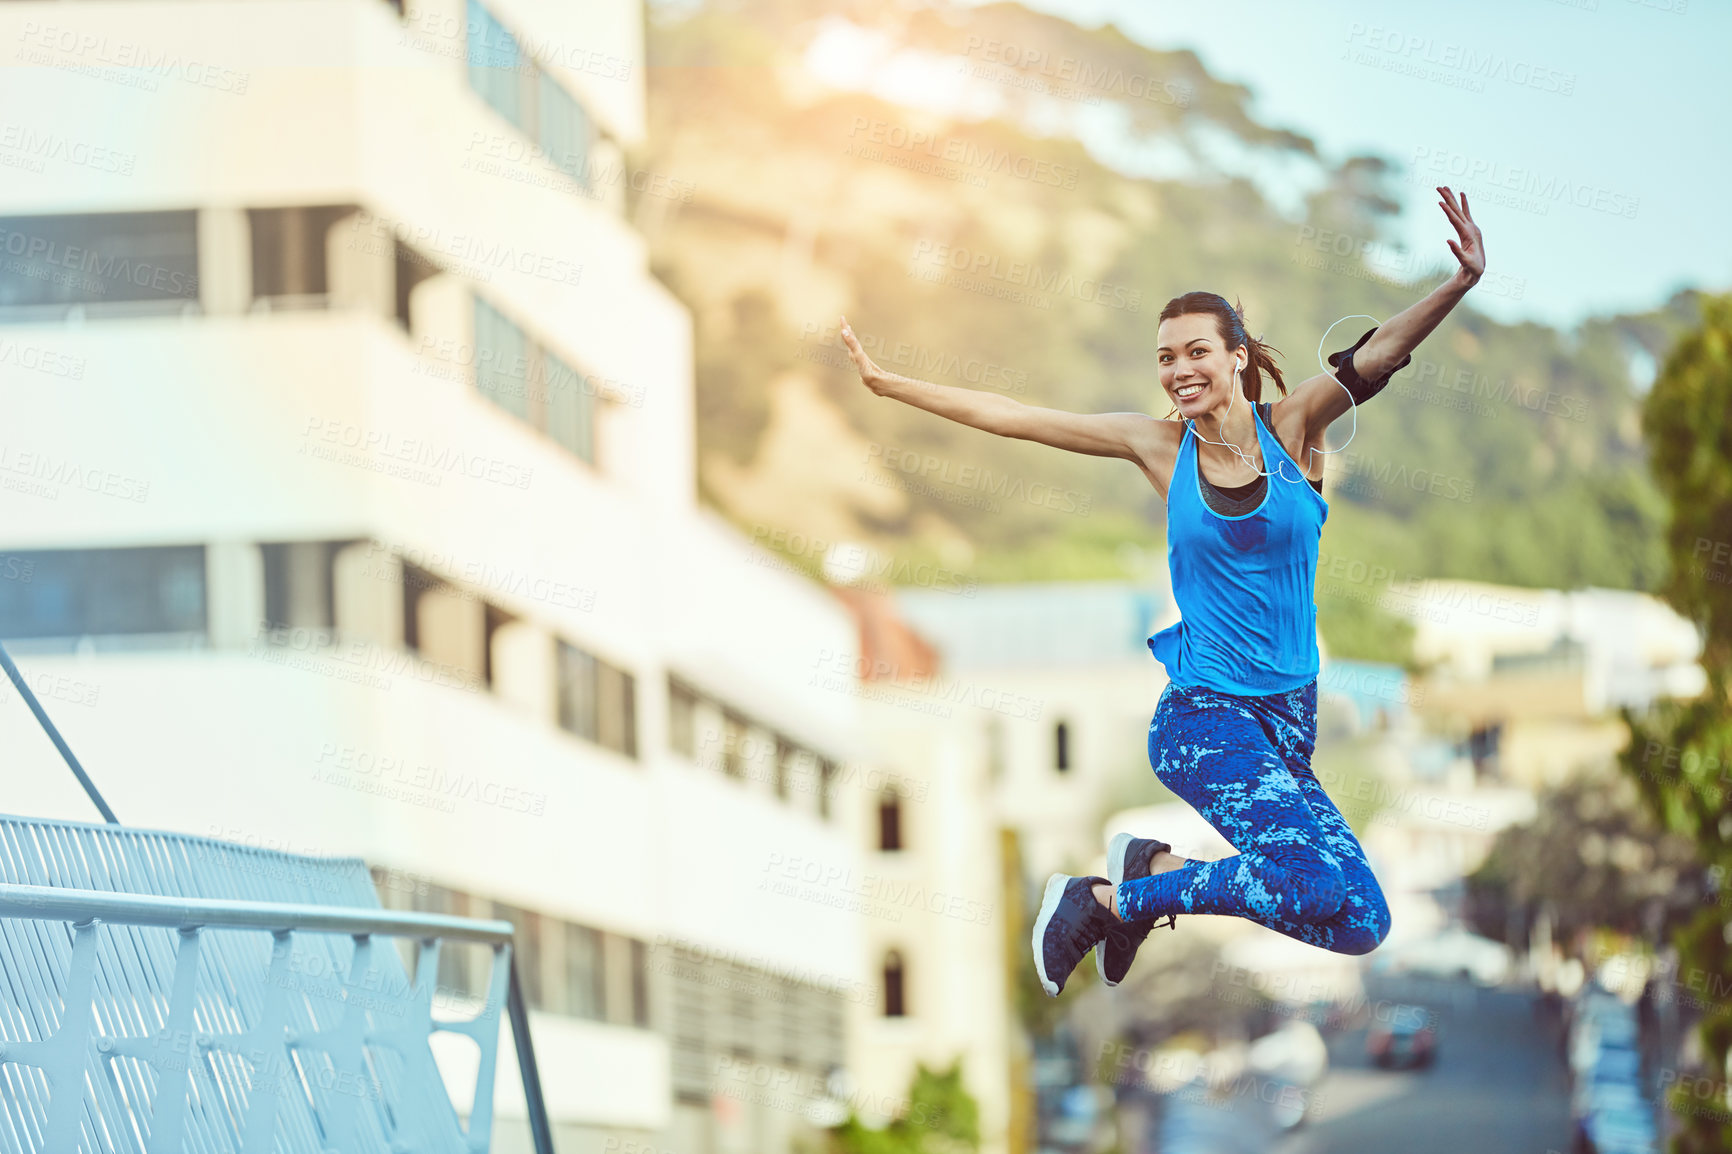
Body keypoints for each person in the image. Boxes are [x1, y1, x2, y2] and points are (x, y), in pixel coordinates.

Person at [840, 187, 1487, 997]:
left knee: (1360, 921)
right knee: (1314, 886)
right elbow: (1014, 416)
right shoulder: (1155, 450)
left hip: (1288, 727)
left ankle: (1148, 873)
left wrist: (1459, 283)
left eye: (1196, 353)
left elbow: (1379, 354)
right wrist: (893, 386)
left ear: (1237, 357)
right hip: (1205, 720)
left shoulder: (1294, 429)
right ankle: (1111, 899)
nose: (1180, 371)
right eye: (1166, 358)